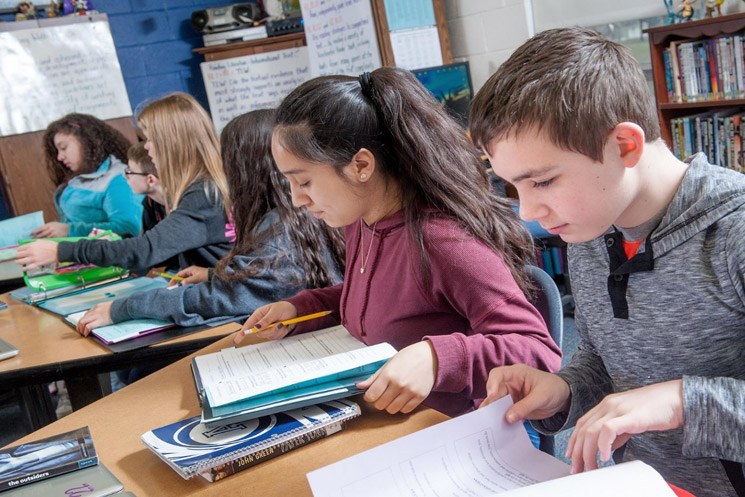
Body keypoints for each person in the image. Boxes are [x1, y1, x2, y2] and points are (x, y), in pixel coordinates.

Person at [471, 27, 745, 497]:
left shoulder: (734, 230)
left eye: (542, 182)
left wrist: (680, 401)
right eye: (511, 187)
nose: (527, 212)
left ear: (624, 146)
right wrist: (564, 390)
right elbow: (607, 359)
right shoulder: (593, 228)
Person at [237, 67, 562, 419]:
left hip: (441, 434)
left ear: (360, 165)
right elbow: (387, 299)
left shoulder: (443, 241)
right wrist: (303, 309)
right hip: (380, 419)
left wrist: (437, 358)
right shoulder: (361, 223)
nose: (297, 199)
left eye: (304, 182)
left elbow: (539, 352)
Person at [74, 109, 344, 331]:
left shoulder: (274, 235)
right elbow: (272, 279)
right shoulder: (302, 215)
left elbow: (214, 299)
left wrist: (123, 307)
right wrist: (214, 273)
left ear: (241, 169)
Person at [16, 92, 233, 277]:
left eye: (150, 139)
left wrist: (61, 250)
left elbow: (145, 250)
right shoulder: (195, 189)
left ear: (171, 143)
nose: (146, 148)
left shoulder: (202, 195)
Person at [31, 113, 143, 239]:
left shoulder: (118, 178)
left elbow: (128, 229)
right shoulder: (80, 178)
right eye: (57, 151)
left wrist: (70, 230)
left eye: (63, 148)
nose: (59, 157)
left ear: (86, 141)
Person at [124, 142, 178, 270]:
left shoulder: (185, 204)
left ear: (150, 180)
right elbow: (151, 251)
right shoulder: (150, 203)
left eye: (130, 172)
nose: (125, 176)